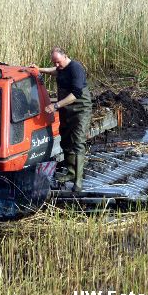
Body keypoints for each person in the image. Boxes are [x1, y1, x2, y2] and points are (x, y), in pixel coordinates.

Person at [32, 47, 92, 191]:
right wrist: (39, 69)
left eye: (58, 62)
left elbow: (76, 94)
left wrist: (56, 105)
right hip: (66, 110)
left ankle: (78, 181)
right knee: (65, 140)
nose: (57, 65)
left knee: (78, 143)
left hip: (80, 110)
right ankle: (70, 172)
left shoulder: (76, 68)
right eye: (54, 62)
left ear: (65, 57)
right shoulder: (61, 67)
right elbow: (55, 71)